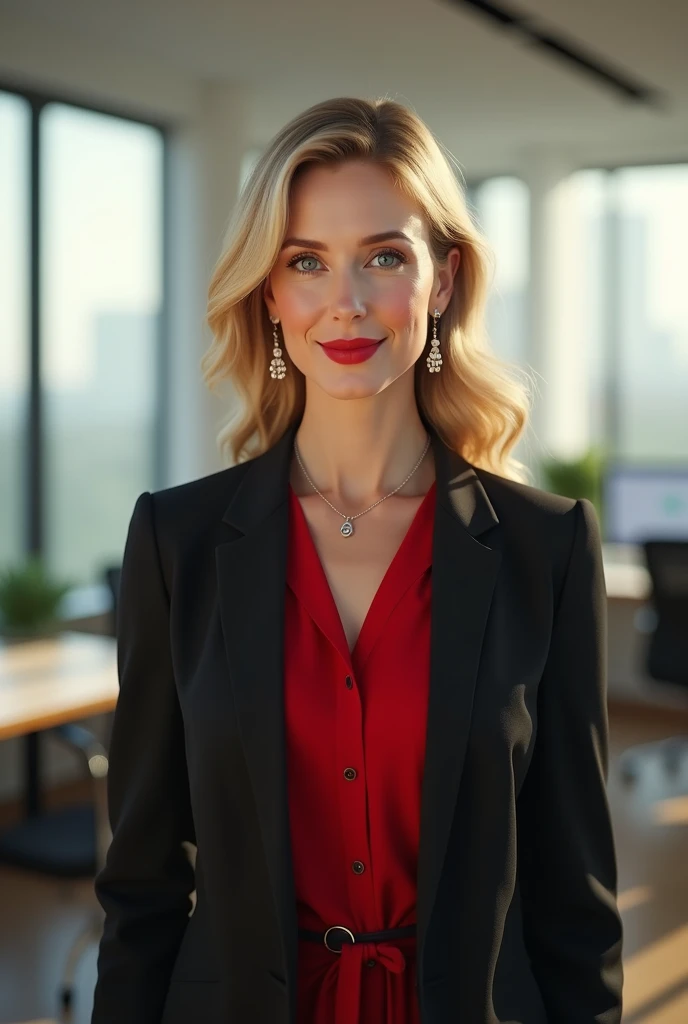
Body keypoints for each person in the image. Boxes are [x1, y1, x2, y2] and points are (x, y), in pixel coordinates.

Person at [91, 96, 624, 1024]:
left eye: (385, 256)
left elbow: (574, 903)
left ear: (445, 281)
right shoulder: (177, 543)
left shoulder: (547, 548)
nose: (346, 300)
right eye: (307, 262)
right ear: (269, 293)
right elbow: (141, 886)